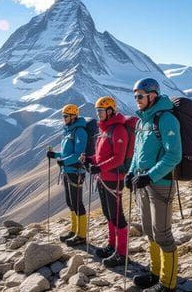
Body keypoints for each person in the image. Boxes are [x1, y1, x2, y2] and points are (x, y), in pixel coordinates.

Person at [126, 77, 183, 292]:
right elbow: (137, 152)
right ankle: (155, 273)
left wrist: (150, 175)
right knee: (149, 230)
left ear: (153, 95)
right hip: (143, 183)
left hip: (161, 184)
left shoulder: (166, 118)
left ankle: (168, 286)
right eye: (135, 96)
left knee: (162, 234)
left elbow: (174, 155)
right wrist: (131, 172)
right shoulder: (142, 121)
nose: (137, 100)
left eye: (140, 95)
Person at [90, 96, 132, 268]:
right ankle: (111, 245)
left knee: (117, 215)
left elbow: (118, 158)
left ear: (110, 111)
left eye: (101, 111)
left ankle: (122, 253)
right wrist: (90, 160)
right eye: (97, 111)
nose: (98, 114)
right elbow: (101, 156)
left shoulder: (118, 130)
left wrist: (99, 167)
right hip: (104, 178)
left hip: (114, 179)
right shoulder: (105, 130)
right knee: (108, 213)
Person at [47, 104, 90, 246]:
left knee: (77, 202)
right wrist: (55, 155)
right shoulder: (68, 131)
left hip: (76, 171)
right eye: (63, 116)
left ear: (73, 116)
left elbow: (79, 154)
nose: (63, 119)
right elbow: (67, 153)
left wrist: (64, 161)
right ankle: (74, 230)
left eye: (66, 116)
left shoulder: (80, 131)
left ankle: (82, 235)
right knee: (70, 202)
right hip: (67, 170)